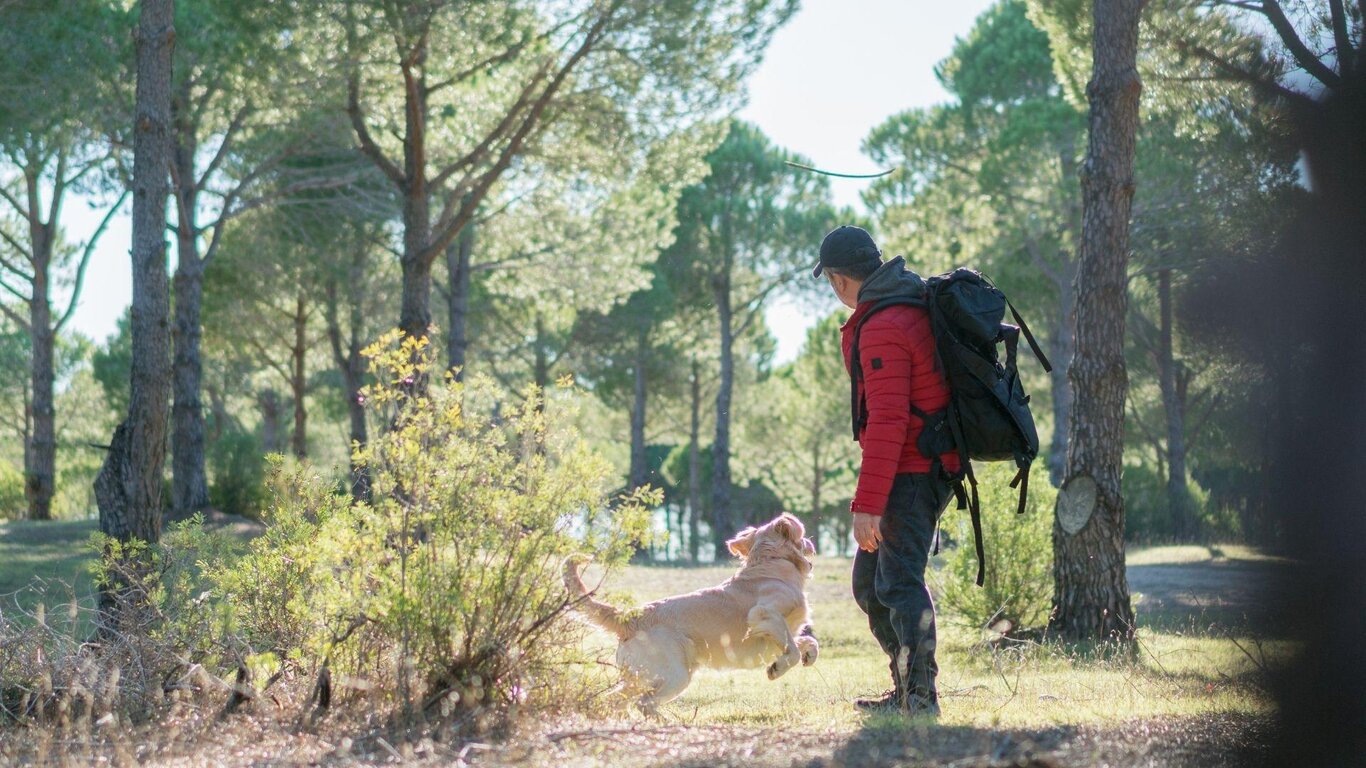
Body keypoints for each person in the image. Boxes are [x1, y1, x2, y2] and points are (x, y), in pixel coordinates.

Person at [812, 225, 959, 717]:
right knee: (869, 584)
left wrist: (867, 506)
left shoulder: (883, 324)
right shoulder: (903, 303)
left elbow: (889, 421)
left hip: (913, 472)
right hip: (919, 466)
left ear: (837, 279)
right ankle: (906, 688)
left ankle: (920, 698)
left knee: (895, 585)